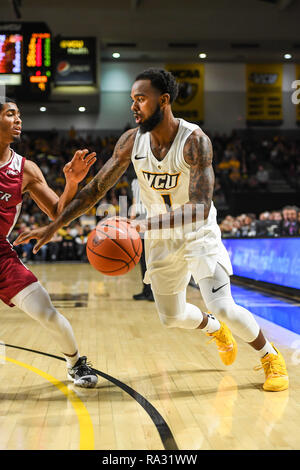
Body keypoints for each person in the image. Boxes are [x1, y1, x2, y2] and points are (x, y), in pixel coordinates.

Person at [15, 69, 288, 392]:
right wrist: (53, 226)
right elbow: (95, 191)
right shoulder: (132, 141)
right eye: (132, 100)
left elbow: (200, 206)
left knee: (222, 304)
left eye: (141, 99)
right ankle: (213, 329)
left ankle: (271, 358)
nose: (134, 106)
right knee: (170, 317)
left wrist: (143, 224)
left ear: (164, 100)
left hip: (197, 231)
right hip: (159, 236)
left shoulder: (194, 141)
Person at [0, 97, 98, 388]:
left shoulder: (25, 170)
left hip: (2, 255)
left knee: (46, 312)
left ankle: (75, 364)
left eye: (19, 115)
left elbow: (58, 213)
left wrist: (71, 183)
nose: (18, 120)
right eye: (10, 114)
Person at [130, 178, 154, 301]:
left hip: (152, 218)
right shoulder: (135, 182)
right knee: (144, 258)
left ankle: (155, 292)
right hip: (140, 219)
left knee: (153, 257)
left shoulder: (153, 176)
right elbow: (135, 202)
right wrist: (131, 220)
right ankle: (146, 290)